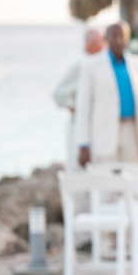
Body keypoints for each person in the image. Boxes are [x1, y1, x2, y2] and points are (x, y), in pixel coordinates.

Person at [74, 22, 138, 167]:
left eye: (122, 36)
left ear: (127, 39)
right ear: (106, 39)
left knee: (132, 183)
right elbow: (83, 106)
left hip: (131, 132)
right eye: (114, 37)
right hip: (104, 134)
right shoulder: (91, 66)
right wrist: (83, 144)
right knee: (108, 186)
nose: (118, 41)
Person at [52, 28, 106, 172]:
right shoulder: (81, 64)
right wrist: (75, 107)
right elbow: (58, 94)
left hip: (90, 125)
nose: (105, 46)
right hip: (77, 125)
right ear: (94, 43)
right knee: (76, 169)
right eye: (103, 41)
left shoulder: (94, 62)